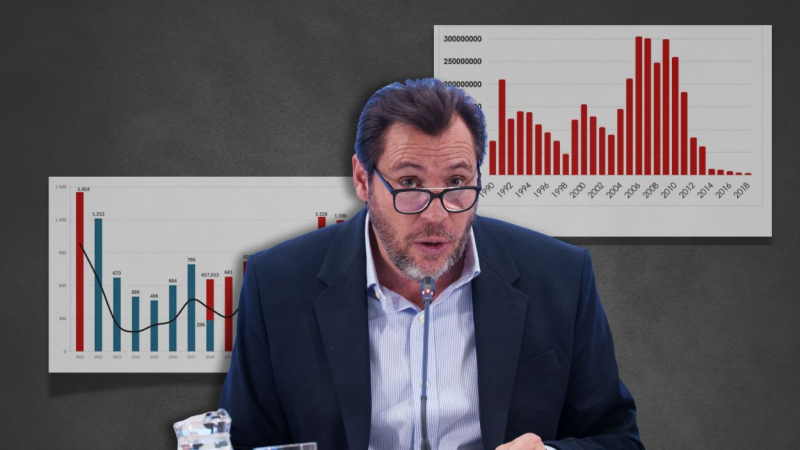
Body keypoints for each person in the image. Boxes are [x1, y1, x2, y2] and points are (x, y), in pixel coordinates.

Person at [219, 78, 644, 450]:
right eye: (409, 183)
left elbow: (617, 438)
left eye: (457, 182)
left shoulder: (562, 277)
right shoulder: (276, 283)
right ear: (363, 180)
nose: (436, 215)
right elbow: (243, 442)